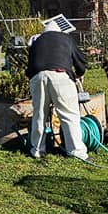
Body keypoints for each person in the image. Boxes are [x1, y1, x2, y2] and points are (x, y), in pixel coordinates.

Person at [27, 19, 89, 161]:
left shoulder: (37, 41)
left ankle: (37, 149)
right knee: (69, 115)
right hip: (60, 75)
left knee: (39, 115)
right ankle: (76, 152)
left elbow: (30, 66)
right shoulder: (66, 38)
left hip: (38, 77)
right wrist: (79, 74)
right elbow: (80, 61)